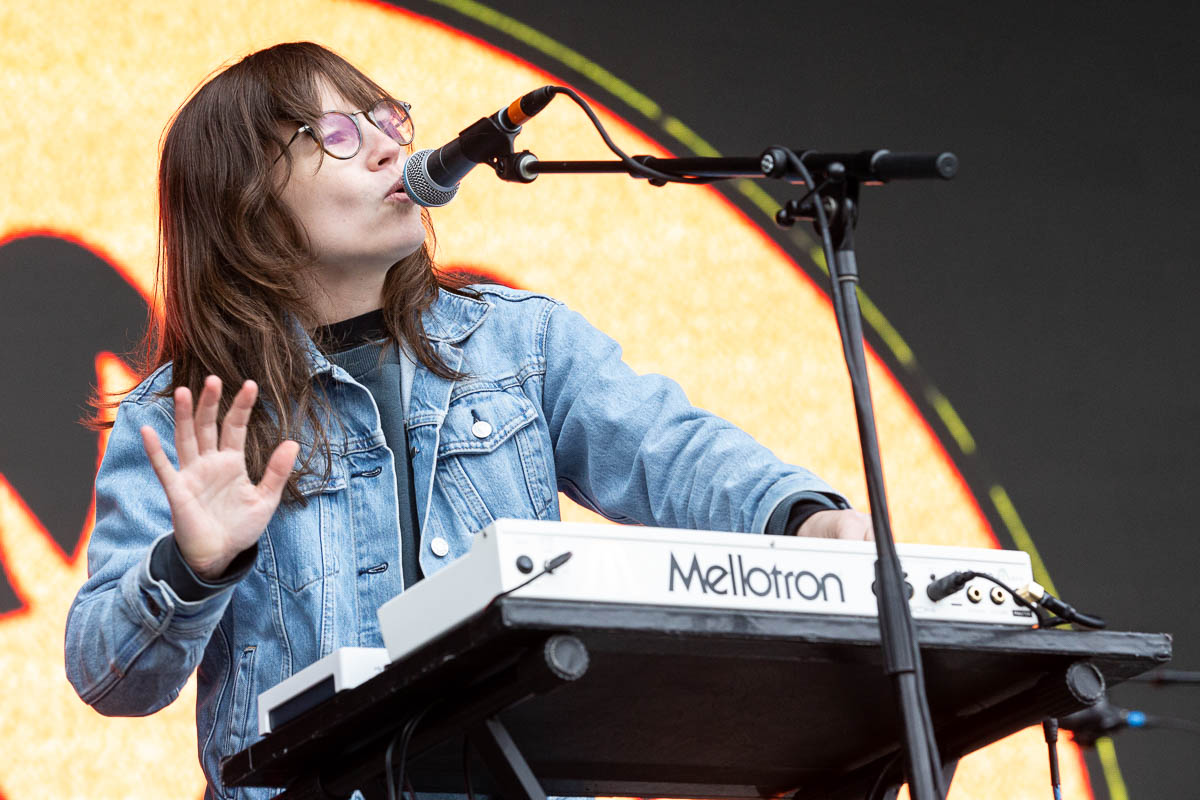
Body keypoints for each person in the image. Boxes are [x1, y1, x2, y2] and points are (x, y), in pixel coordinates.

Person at [64, 41, 871, 800]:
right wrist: (191, 569)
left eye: (388, 120)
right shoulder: (183, 417)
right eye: (338, 133)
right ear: (244, 202)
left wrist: (801, 518)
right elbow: (110, 678)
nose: (388, 147)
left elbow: (672, 451)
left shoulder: (520, 342)